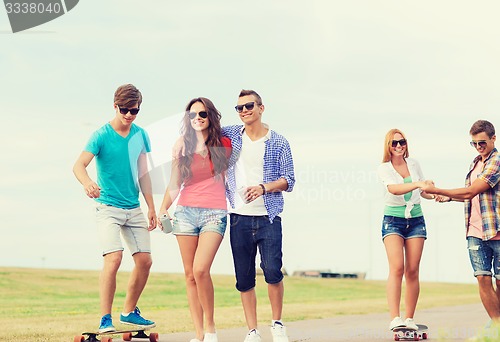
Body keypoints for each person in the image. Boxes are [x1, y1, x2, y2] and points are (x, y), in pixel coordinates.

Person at [73, 84, 157, 332]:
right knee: (114, 258)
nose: (129, 115)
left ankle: (129, 311)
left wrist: (151, 207)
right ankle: (105, 319)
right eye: (125, 109)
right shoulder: (101, 135)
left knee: (145, 261)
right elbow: (79, 165)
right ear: (115, 106)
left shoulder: (140, 135)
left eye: (135, 111)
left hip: (133, 208)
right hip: (107, 206)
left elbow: (144, 175)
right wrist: (88, 182)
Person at [223, 90, 295, 342]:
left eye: (249, 106)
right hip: (238, 217)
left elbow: (289, 180)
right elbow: (206, 128)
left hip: (268, 216)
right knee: (244, 277)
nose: (244, 110)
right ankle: (252, 330)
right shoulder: (231, 134)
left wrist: (264, 187)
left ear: (261, 108)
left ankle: (277, 323)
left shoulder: (278, 142)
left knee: (273, 270)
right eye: (239, 107)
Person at [158, 97, 231, 342]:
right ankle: (199, 335)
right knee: (189, 275)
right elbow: (174, 184)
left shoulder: (224, 142)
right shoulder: (182, 147)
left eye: (202, 114)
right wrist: (162, 209)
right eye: (192, 115)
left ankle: (211, 328)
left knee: (201, 270)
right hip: (185, 213)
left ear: (210, 115)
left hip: (214, 213)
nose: (197, 118)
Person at [422, 120, 500, 324]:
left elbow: (472, 190)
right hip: (475, 231)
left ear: (493, 138)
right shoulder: (475, 163)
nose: (478, 147)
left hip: (497, 230)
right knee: (482, 278)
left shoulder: (497, 161)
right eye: (473, 143)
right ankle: (497, 326)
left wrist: (437, 190)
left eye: (481, 142)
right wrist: (448, 197)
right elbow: (469, 196)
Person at [377, 129, 439, 331]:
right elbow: (394, 189)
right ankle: (395, 318)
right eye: (394, 143)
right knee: (397, 268)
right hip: (393, 220)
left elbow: (423, 192)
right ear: (388, 146)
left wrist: (435, 194)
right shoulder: (384, 168)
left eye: (401, 142)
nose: (398, 146)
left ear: (406, 144)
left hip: (416, 220)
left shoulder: (414, 164)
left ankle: (410, 318)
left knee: (412, 271)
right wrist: (419, 183)